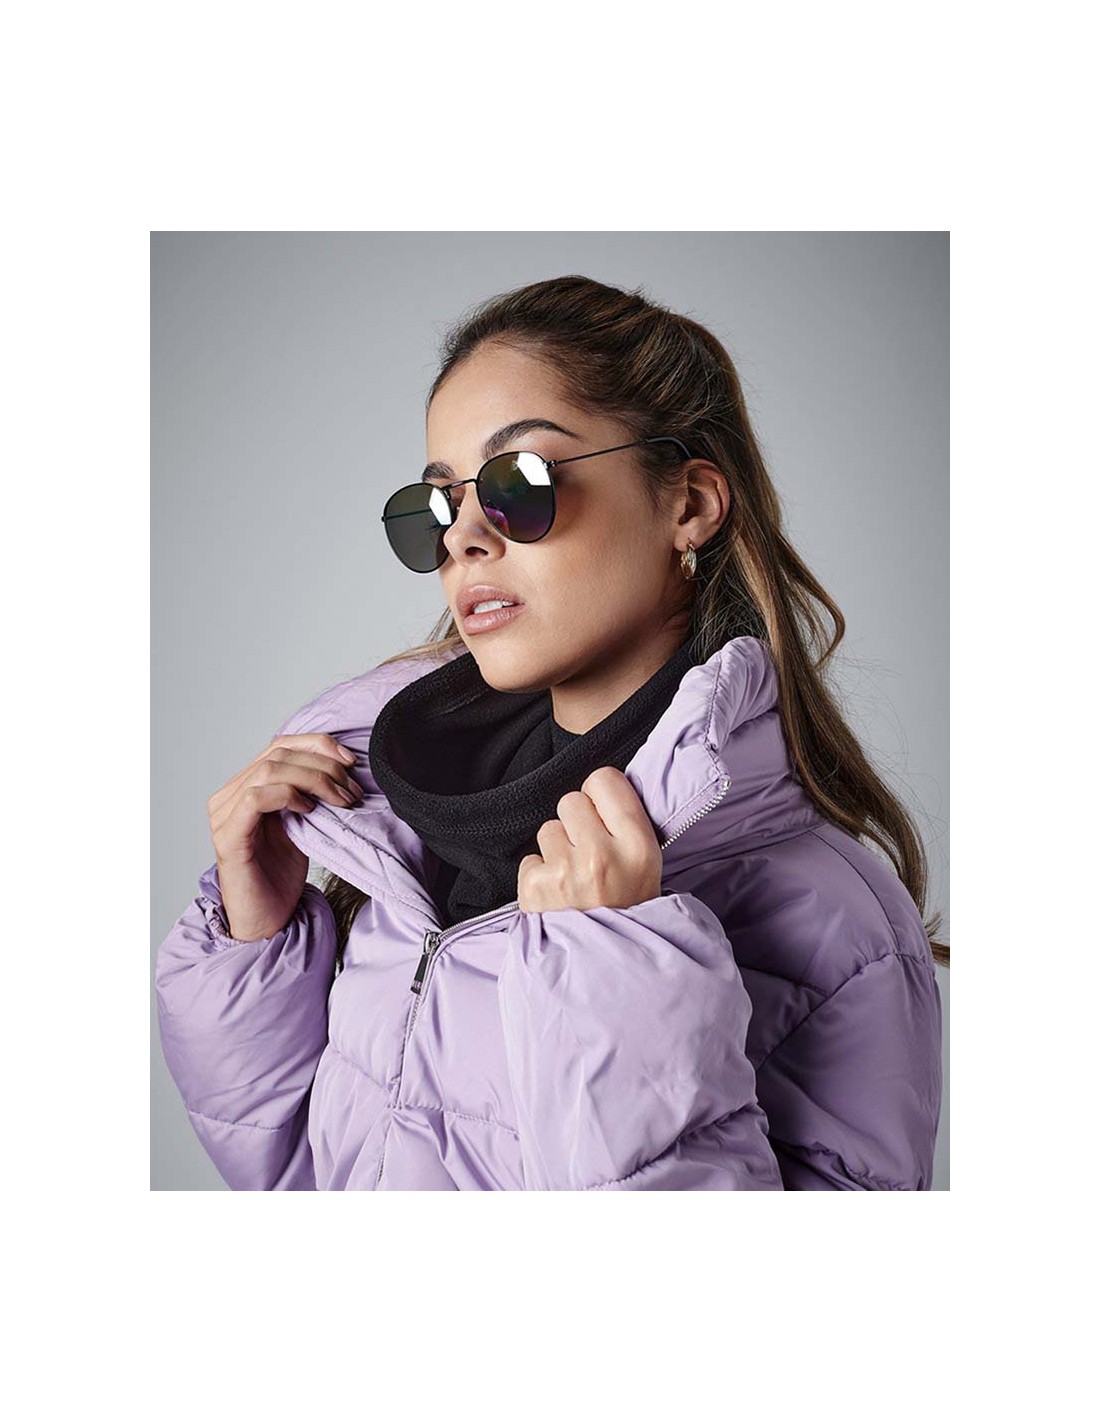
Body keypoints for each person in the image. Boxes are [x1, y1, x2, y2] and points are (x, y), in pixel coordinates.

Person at [155, 274, 946, 1191]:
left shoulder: (840, 926)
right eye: (437, 507)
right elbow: (308, 1180)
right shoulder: (403, 829)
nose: (463, 539)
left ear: (689, 506)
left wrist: (617, 973)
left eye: (518, 484)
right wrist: (256, 945)